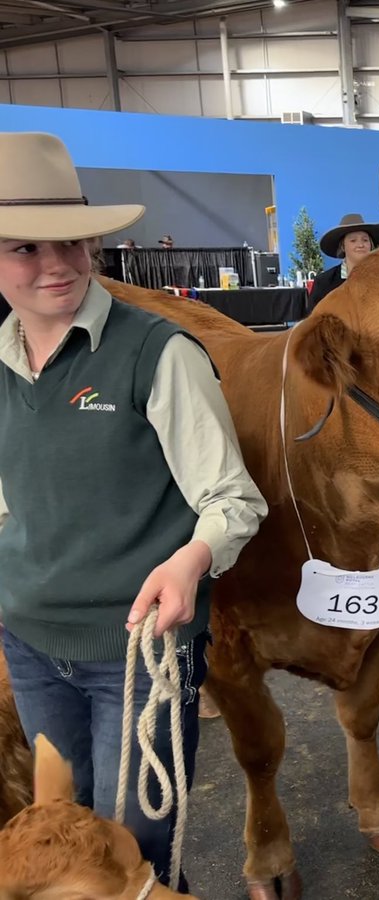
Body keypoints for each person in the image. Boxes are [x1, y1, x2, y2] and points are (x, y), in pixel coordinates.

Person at [0, 132, 268, 892]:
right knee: (59, 839)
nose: (55, 265)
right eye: (25, 248)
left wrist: (191, 560)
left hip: (136, 651)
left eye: (72, 243)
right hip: (29, 642)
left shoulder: (159, 352)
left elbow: (232, 499)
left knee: (133, 847)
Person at [308, 212, 379, 307]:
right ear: (343, 246)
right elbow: (314, 320)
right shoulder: (324, 283)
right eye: (353, 240)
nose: (360, 245)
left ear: (371, 246)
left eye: (365, 240)